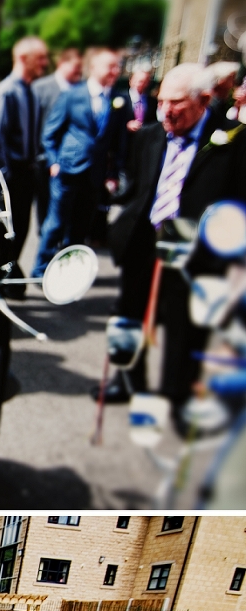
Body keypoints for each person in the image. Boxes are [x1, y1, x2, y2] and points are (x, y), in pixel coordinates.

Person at [102, 63, 246, 413]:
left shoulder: (234, 141)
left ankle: (175, 393)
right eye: (161, 100)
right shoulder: (149, 135)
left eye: (176, 102)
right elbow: (138, 187)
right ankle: (126, 381)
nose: (165, 110)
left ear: (204, 100)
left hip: (194, 250)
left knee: (185, 325)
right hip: (143, 241)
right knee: (127, 317)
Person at [33, 47, 130, 277]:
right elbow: (50, 132)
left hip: (95, 174)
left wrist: (113, 173)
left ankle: (67, 271)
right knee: (55, 224)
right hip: (67, 169)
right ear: (94, 67)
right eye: (111, 66)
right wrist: (54, 162)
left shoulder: (119, 99)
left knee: (80, 228)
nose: (116, 71)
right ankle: (40, 271)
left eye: (118, 67)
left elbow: (118, 142)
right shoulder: (72, 95)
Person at [0, 36, 50, 272]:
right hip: (10, 178)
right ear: (23, 58)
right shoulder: (7, 92)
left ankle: (8, 274)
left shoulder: (30, 92)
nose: (45, 63)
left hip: (28, 173)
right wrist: (4, 181)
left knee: (22, 229)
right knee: (6, 233)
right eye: (40, 58)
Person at [32, 48, 83, 227]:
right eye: (75, 67)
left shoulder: (80, 90)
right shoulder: (40, 88)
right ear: (62, 63)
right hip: (44, 158)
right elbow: (33, 124)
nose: (79, 71)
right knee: (45, 205)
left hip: (71, 160)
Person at [127, 63, 158, 131]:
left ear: (148, 83)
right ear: (130, 80)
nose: (139, 84)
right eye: (136, 80)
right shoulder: (122, 98)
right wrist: (126, 125)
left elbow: (153, 122)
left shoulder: (152, 102)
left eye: (143, 81)